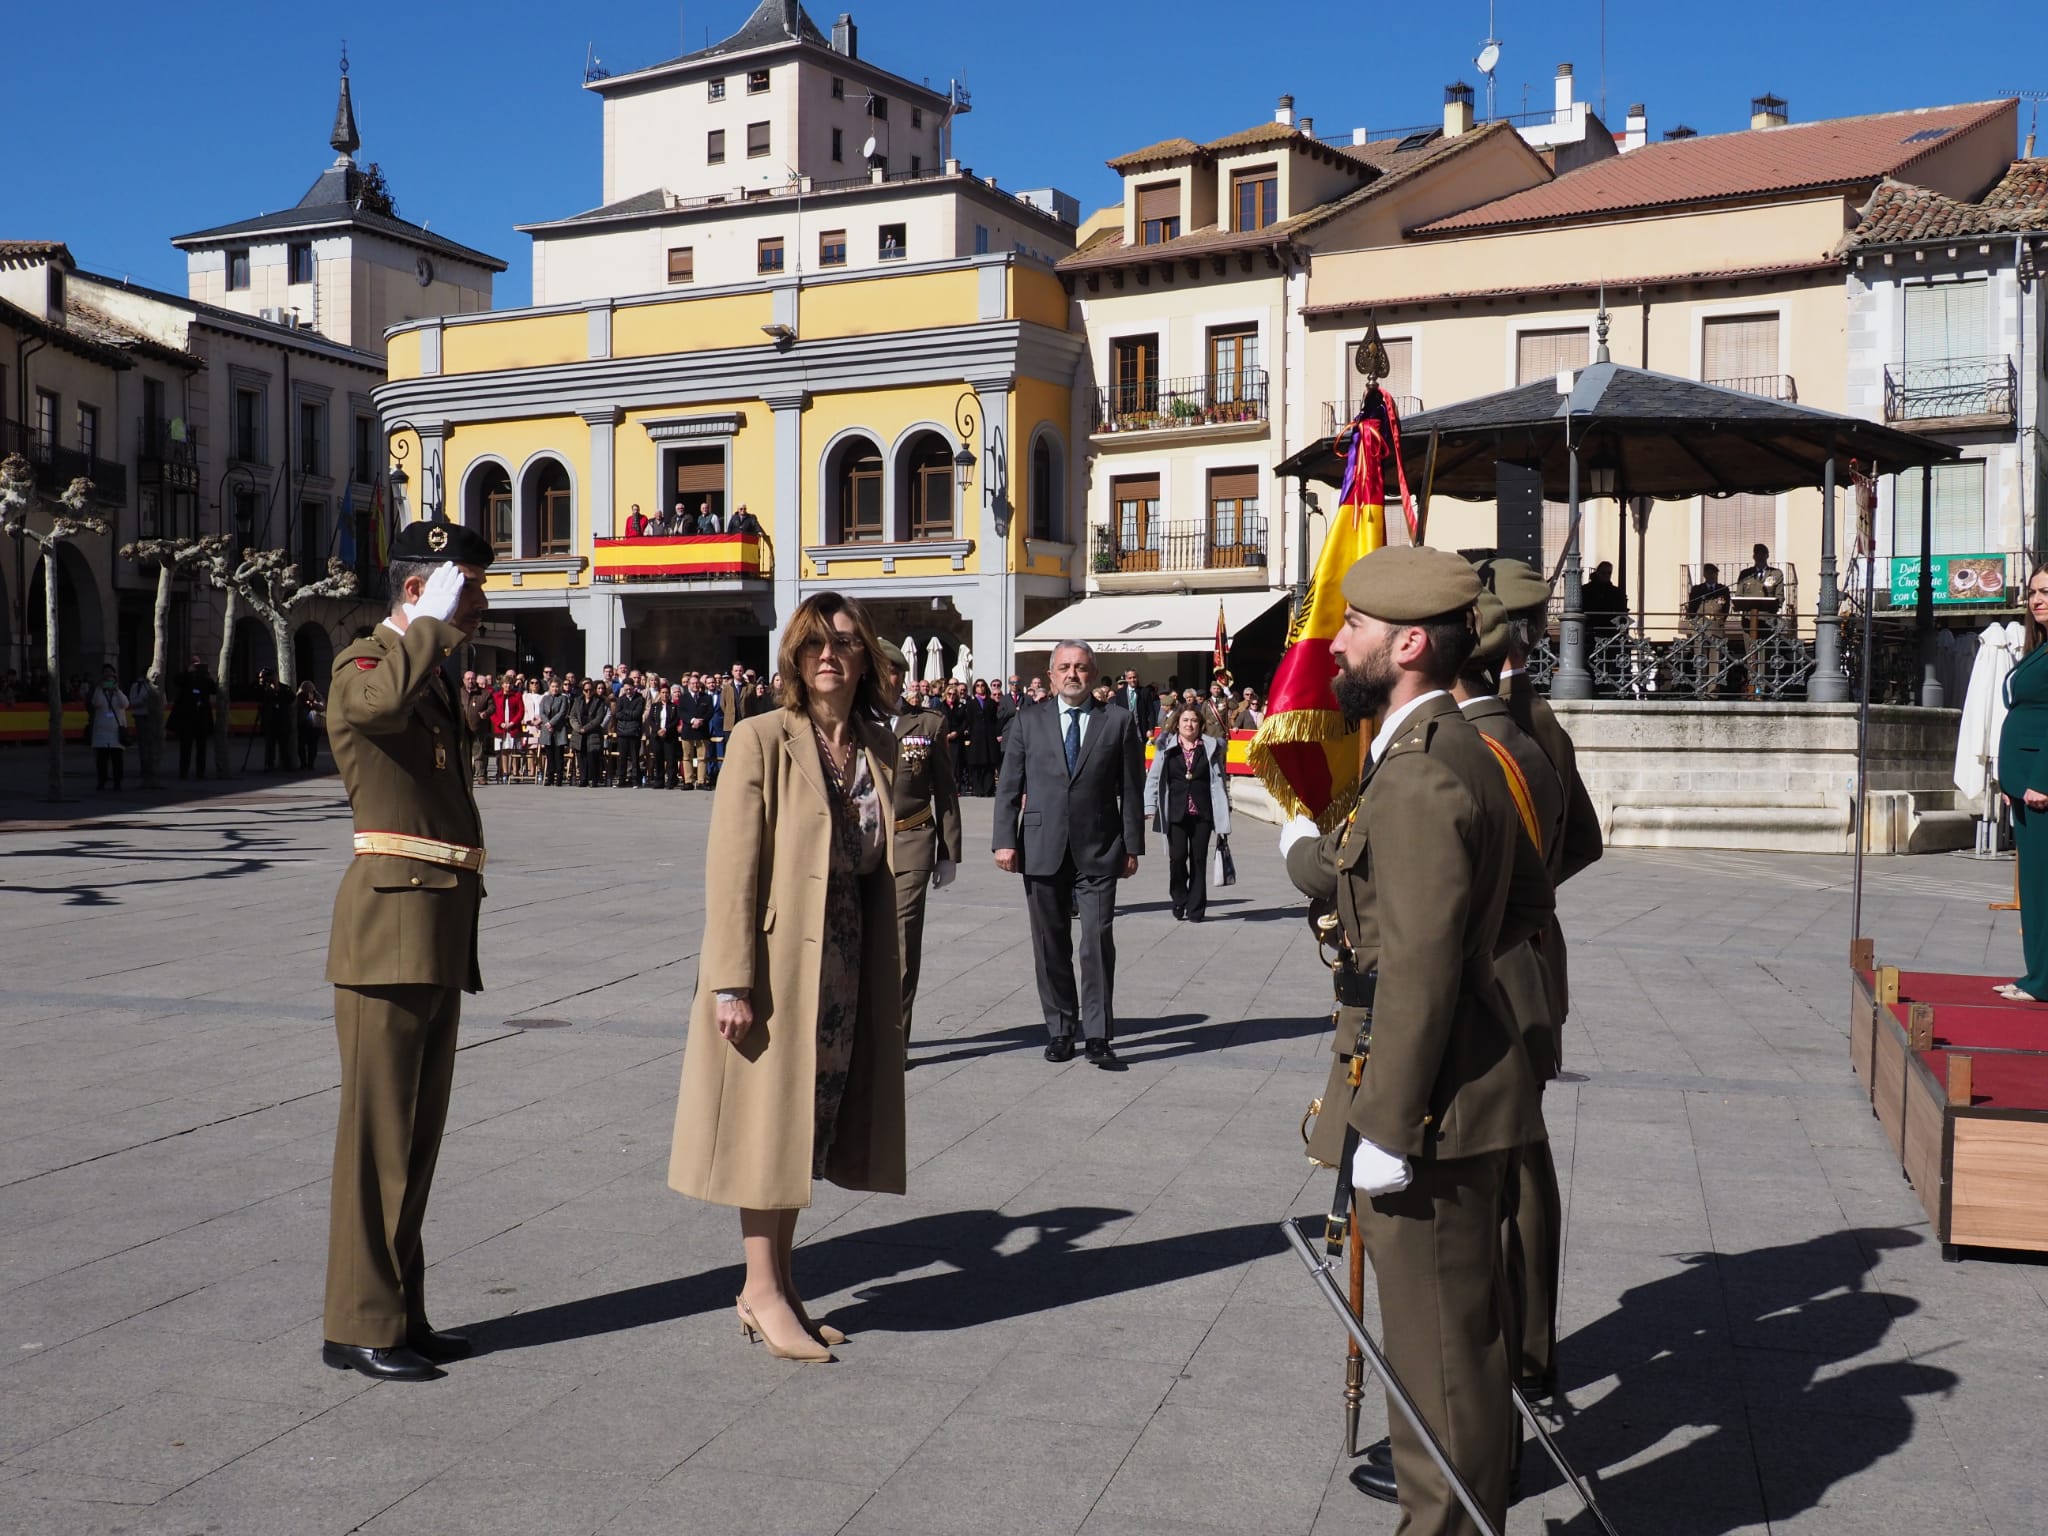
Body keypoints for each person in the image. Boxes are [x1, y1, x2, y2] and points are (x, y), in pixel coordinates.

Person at [1279, 544, 1553, 1536]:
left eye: (1349, 626)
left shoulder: (1417, 776)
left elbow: (1422, 969)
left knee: (1435, 1370)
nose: (1333, 643)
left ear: (1402, 644)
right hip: (1462, 1089)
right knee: (1464, 1354)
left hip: (1426, 1113)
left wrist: (1384, 1124)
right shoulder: (1460, 750)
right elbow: (1519, 903)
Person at [667, 592, 904, 1364]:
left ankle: (783, 1283)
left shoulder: (879, 745)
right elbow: (731, 867)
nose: (828, 654)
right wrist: (729, 981)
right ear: (793, 659)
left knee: (808, 1125)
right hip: (774, 967)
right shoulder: (760, 738)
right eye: (812, 643)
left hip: (842, 961)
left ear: (865, 656)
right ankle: (759, 1289)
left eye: (843, 642)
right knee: (766, 1127)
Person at [320, 517, 493, 1382]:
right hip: (388, 932)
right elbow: (378, 708)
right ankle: (357, 1323)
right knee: (376, 1138)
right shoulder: (364, 666)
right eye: (466, 588)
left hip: (433, 930)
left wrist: (435, 633)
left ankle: (399, 1310)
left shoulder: (424, 675)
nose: (481, 606)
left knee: (415, 1139)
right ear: (420, 592)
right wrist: (429, 623)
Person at [1487, 556, 1603, 1397]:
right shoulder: (1542, 720)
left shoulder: (1500, 731)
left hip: (1498, 973)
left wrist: (1513, 898)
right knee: (1524, 1163)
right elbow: (1587, 841)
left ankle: (1515, 1360)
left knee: (1508, 1172)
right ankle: (1530, 1354)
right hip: (1533, 958)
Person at [992, 639, 1145, 1069]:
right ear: (1052, 674)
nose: (1072, 674)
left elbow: (1131, 790)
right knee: (1050, 943)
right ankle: (1061, 1029)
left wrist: (1133, 846)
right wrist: (1004, 839)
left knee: (1097, 941)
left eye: (1080, 667)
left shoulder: (1117, 722)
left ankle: (1097, 1034)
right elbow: (1009, 786)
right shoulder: (1027, 721)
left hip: (1099, 845)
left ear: (1093, 675)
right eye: (1064, 667)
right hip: (1041, 847)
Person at [875, 639, 962, 1045]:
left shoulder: (927, 724)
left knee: (902, 942)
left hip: (911, 839)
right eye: (879, 671)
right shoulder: (849, 723)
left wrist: (949, 853)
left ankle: (895, 1041)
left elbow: (944, 790)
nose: (887, 679)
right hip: (861, 844)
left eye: (894, 672)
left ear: (902, 677)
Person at [1998, 565, 2048, 1001]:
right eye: (2033, 592)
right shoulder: (2041, 648)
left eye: (2047, 591)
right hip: (2023, 782)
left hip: (2039, 786)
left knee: (2042, 884)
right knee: (2032, 885)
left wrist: (2041, 780)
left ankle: (2043, 980)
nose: (2037, 599)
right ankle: (2037, 976)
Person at [1143, 701, 1231, 922]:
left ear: (1200, 724)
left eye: (1193, 720)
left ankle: (1196, 908)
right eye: (1185, 720)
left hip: (1203, 814)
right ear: (1177, 724)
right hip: (1175, 812)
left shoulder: (1210, 748)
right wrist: (1149, 805)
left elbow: (1219, 781)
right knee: (1177, 857)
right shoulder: (1166, 748)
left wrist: (1224, 811)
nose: (1189, 724)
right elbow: (1154, 777)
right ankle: (1179, 897)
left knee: (1198, 860)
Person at [87, 663, 131, 790]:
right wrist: (100, 688)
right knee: (101, 760)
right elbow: (96, 703)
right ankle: (102, 781)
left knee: (117, 760)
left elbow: (125, 704)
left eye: (110, 673)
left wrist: (116, 690)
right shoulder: (98, 690)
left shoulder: (119, 691)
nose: (108, 676)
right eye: (105, 673)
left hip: (116, 730)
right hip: (102, 730)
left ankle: (118, 782)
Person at [168, 657, 214, 780]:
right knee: (185, 747)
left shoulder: (205, 678)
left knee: (202, 747)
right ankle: (183, 772)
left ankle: (201, 772)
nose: (196, 666)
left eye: (198, 663)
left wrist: (208, 674)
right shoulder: (186, 677)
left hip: (202, 717)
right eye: (194, 664)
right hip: (187, 718)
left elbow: (214, 689)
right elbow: (177, 681)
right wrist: (188, 672)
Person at [960, 678, 1001, 796]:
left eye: (982, 685)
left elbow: (995, 720)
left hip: (989, 737)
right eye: (977, 685)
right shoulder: (970, 704)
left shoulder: (991, 703)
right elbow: (968, 720)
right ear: (974, 689)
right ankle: (978, 789)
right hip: (976, 737)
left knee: (989, 765)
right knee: (977, 764)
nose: (980, 687)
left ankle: (988, 789)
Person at [679, 672, 717, 789]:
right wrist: (692, 720)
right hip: (688, 730)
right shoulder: (683, 698)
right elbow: (681, 712)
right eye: (692, 683)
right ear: (688, 685)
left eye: (697, 683)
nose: (695, 685)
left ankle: (701, 781)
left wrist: (701, 721)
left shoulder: (706, 697)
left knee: (702, 757)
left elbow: (710, 712)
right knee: (687, 757)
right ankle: (689, 781)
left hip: (702, 730)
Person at [569, 679, 609, 788]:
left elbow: (598, 718)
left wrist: (586, 728)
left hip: (593, 732)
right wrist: (578, 728)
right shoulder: (578, 701)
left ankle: (594, 779)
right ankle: (583, 779)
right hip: (579, 733)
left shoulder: (599, 702)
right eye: (586, 690)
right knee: (581, 756)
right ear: (582, 691)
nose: (588, 692)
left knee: (593, 757)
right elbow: (572, 716)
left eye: (590, 690)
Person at [128, 669, 164, 787]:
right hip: (141, 717)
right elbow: (132, 701)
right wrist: (143, 700)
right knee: (143, 745)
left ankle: (153, 768)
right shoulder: (137, 686)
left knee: (154, 743)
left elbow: (164, 701)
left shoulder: (157, 687)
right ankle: (145, 769)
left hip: (154, 717)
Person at [1581, 560, 1628, 644]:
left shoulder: (1616, 592)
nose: (1606, 575)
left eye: (1609, 573)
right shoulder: (1585, 590)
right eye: (1603, 573)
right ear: (1598, 573)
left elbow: (1622, 611)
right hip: (1590, 631)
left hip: (1611, 632)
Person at [611, 677, 645, 787]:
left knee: (635, 757)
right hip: (622, 732)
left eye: (630, 689)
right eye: (626, 690)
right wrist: (628, 713)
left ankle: (636, 781)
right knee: (622, 757)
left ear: (634, 688)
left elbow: (637, 714)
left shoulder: (640, 699)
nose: (628, 692)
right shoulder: (621, 699)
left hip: (634, 732)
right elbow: (617, 714)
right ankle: (621, 780)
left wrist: (625, 712)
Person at [536, 678, 571, 786]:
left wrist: (551, 723)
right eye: (552, 686)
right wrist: (547, 723)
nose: (554, 689)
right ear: (549, 687)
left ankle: (559, 777)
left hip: (558, 729)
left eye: (556, 686)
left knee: (558, 755)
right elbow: (541, 712)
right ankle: (550, 777)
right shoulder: (545, 698)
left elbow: (562, 713)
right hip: (547, 730)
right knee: (549, 754)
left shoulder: (563, 698)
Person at [651, 682, 685, 789]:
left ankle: (671, 780)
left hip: (669, 735)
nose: (665, 695)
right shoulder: (655, 706)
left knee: (671, 759)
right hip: (657, 736)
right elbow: (651, 720)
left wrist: (666, 729)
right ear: (660, 694)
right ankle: (659, 781)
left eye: (667, 693)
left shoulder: (674, 706)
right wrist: (658, 730)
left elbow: (676, 720)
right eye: (663, 692)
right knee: (658, 758)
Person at [460, 671, 492, 786]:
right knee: (464, 753)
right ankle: (466, 776)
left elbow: (492, 707)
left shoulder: (484, 693)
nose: (470, 681)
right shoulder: (459, 693)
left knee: (479, 754)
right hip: (462, 729)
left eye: (472, 679)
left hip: (478, 729)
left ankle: (481, 776)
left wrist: (486, 713)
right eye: (468, 679)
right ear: (463, 680)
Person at [296, 679, 327, 771]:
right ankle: (303, 763)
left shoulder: (317, 695)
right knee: (301, 745)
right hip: (303, 724)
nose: (308, 692)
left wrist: (313, 705)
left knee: (312, 745)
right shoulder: (299, 696)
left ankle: (310, 764)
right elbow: (294, 707)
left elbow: (322, 706)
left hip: (315, 724)